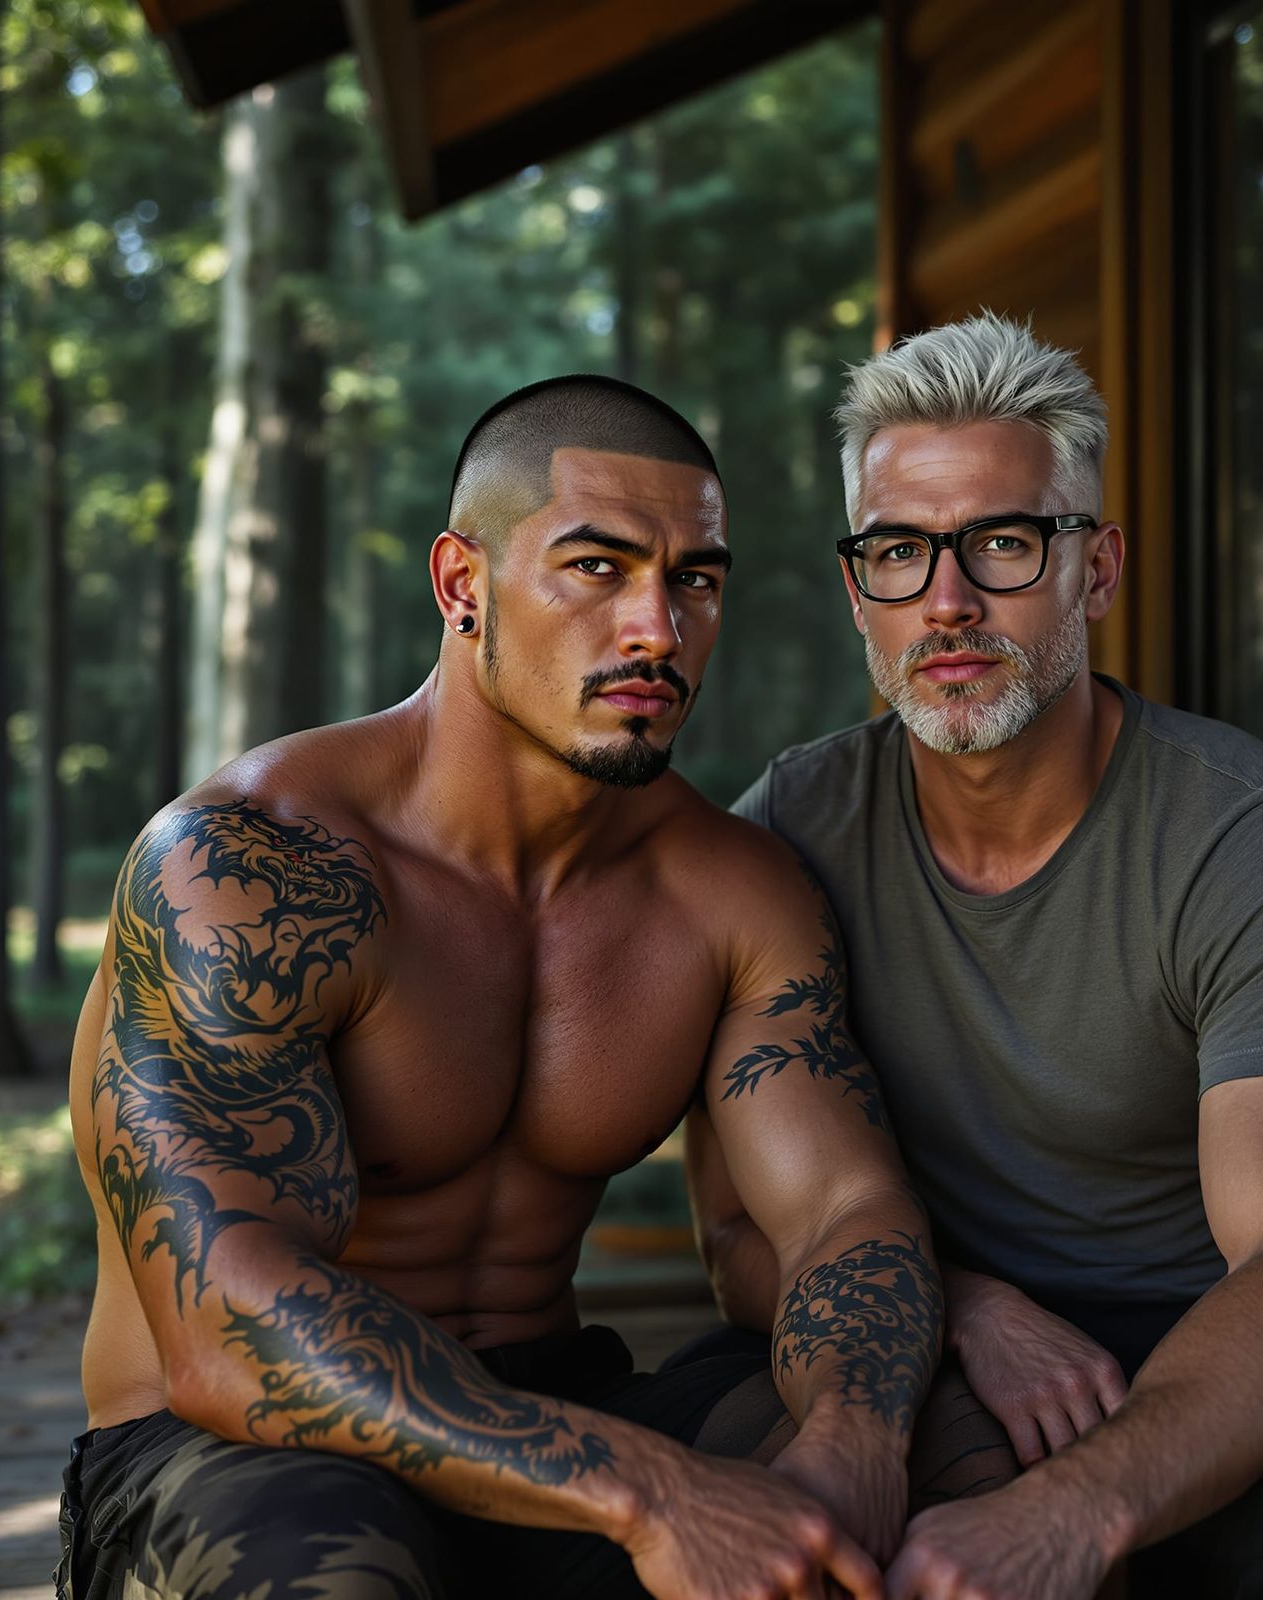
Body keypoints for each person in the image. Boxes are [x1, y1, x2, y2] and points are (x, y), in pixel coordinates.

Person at [55, 375, 952, 1600]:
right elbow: (225, 1330)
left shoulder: (730, 891)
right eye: (597, 567)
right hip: (238, 1452)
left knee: (959, 1472)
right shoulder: (248, 868)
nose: (657, 628)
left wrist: (856, 1446)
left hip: (557, 1393)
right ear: (461, 584)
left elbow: (841, 1212)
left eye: (695, 578)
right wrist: (657, 1493)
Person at [686, 315, 1263, 1598]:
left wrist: (1074, 1508)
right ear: (856, 590)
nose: (946, 602)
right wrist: (962, 1306)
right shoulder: (785, 837)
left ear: (1098, 567)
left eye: (1004, 543)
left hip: (1234, 1340)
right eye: (899, 551)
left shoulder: (1256, 842)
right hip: (912, 1328)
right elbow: (736, 1232)